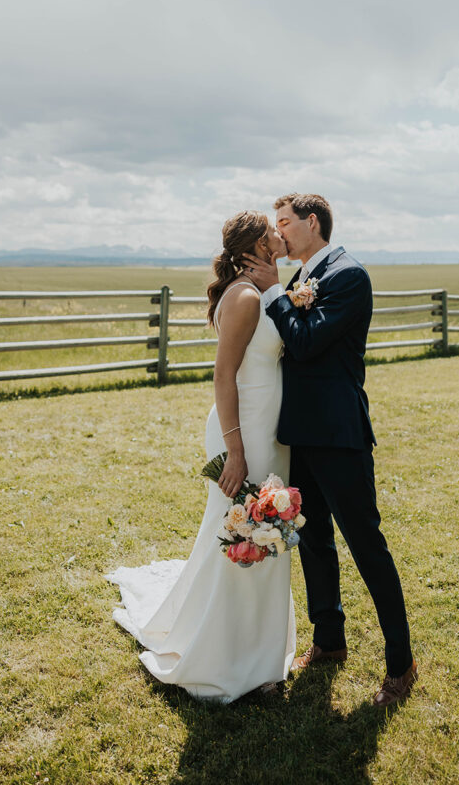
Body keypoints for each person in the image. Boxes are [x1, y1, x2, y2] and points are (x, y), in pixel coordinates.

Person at [106, 211, 295, 702]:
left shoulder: (259, 289)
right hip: (245, 435)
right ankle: (228, 659)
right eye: (274, 230)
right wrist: (235, 450)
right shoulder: (247, 297)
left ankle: (258, 653)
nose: (282, 233)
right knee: (242, 535)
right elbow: (223, 377)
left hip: (267, 434)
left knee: (264, 536)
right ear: (257, 243)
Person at [243, 192, 417, 708]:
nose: (279, 235)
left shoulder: (348, 276)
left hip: (340, 435)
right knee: (313, 540)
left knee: (367, 546)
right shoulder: (296, 280)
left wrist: (275, 291)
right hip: (300, 432)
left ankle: (401, 664)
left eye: (284, 224)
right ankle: (329, 641)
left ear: (311, 222)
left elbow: (305, 342)